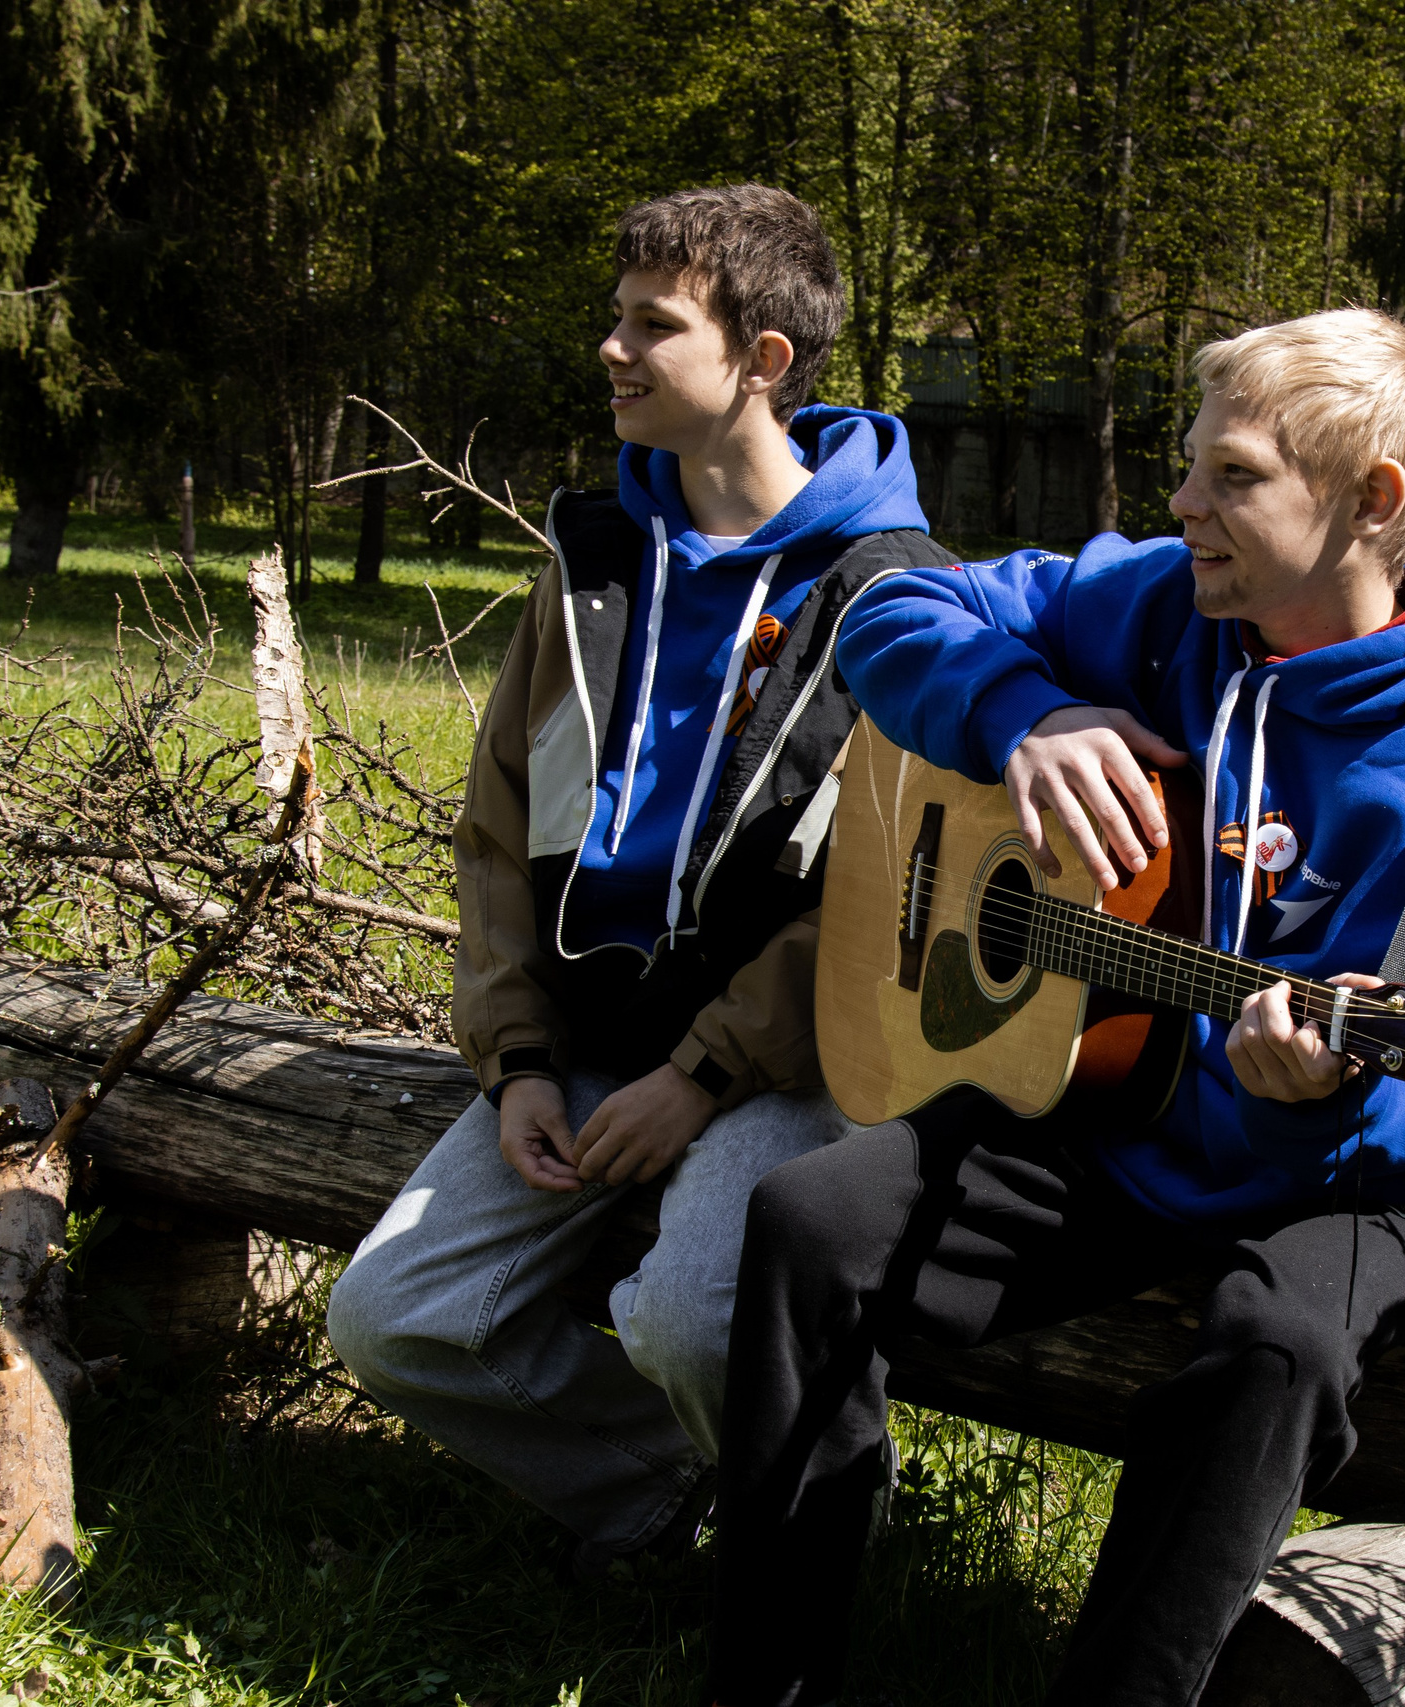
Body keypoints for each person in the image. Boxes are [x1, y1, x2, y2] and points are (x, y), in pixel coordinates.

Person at [703, 307, 1405, 1706]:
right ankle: (774, 1678)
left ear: (1371, 505)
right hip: (1128, 1112)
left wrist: (1333, 1072)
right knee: (811, 1225)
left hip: (1373, 1171)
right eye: (1192, 467)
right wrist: (1021, 712)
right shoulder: (1161, 607)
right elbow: (890, 607)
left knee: (1277, 1343)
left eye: (1231, 477)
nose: (1182, 502)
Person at [325, 184, 954, 1572]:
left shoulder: (897, 592)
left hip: (784, 1069)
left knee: (690, 1316)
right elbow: (499, 829)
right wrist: (521, 1061)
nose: (611, 349)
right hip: (589, 1050)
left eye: (651, 326)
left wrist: (709, 1074)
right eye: (615, 319)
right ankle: (675, 1512)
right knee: (393, 1319)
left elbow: (888, 898)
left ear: (764, 361)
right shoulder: (594, 560)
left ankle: (838, 1555)